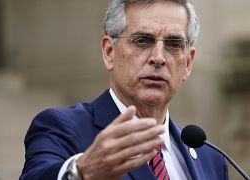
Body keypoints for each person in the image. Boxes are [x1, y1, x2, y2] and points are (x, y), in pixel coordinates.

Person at [20, 0, 229, 179]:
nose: (158, 57)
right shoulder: (62, 128)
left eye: (173, 44)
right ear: (109, 52)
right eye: (142, 41)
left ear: (188, 64)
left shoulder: (210, 157)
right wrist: (81, 173)